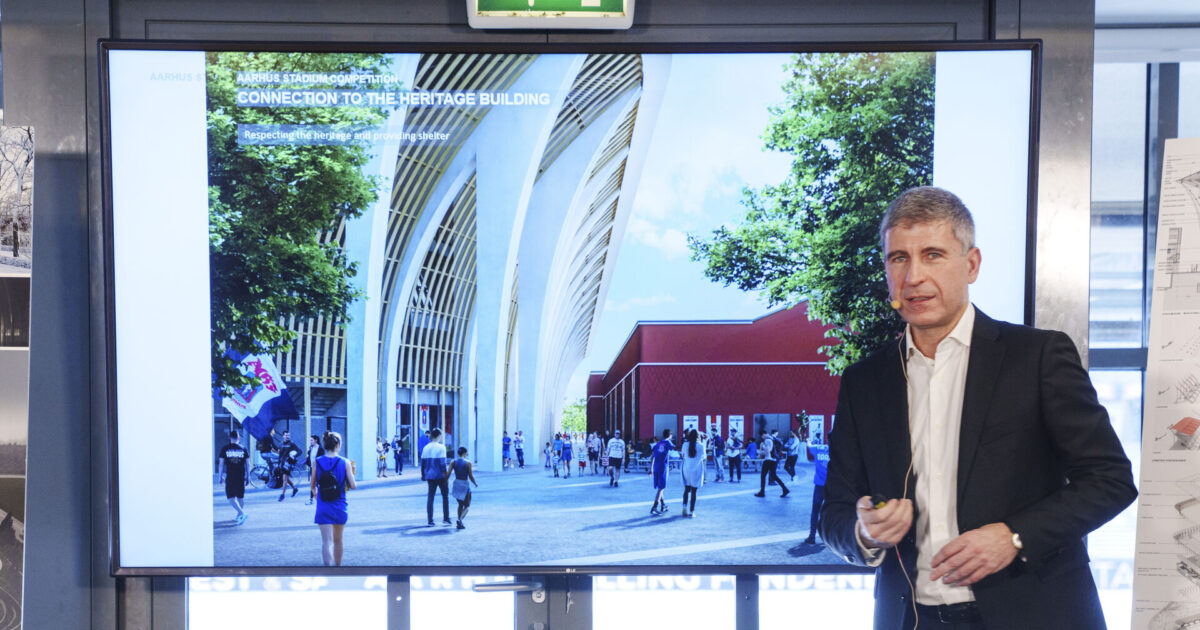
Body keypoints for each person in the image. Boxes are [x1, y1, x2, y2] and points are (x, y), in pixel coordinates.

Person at [819, 186, 1137, 630]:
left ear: (971, 264)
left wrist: (1015, 536)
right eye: (898, 258)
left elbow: (1110, 480)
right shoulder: (864, 382)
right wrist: (865, 532)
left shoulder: (1037, 356)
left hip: (1035, 616)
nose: (913, 276)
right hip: (911, 619)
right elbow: (834, 512)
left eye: (932, 255)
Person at [310, 431, 357, 566]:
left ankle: (327, 570)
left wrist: (315, 493)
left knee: (326, 542)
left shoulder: (317, 462)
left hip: (323, 506)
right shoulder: (345, 462)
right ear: (337, 445)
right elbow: (353, 486)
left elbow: (312, 485)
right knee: (338, 540)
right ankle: (337, 569)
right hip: (339, 506)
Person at [217, 430, 249, 524]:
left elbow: (221, 464)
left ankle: (241, 513)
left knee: (230, 497)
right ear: (239, 438)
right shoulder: (243, 449)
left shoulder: (225, 449)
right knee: (240, 497)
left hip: (230, 476)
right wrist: (248, 476)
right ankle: (240, 515)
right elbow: (248, 464)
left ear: (230, 438)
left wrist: (220, 476)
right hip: (241, 476)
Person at [803, 429, 830, 545]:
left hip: (819, 485)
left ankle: (812, 536)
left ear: (827, 439)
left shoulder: (818, 448)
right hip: (831, 487)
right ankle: (828, 537)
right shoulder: (839, 452)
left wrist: (808, 440)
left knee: (815, 511)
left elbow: (809, 446)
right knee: (830, 511)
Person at [420, 427, 451, 526]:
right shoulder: (441, 447)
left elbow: (423, 464)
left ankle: (430, 520)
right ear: (439, 435)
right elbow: (442, 464)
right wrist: (446, 475)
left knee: (430, 498)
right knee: (445, 497)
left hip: (430, 476)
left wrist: (423, 475)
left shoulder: (426, 448)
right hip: (441, 476)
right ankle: (446, 518)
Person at [754, 429, 788, 498]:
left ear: (763, 434)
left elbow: (767, 451)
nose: (761, 438)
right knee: (774, 475)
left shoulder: (767, 440)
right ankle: (785, 489)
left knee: (763, 476)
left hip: (768, 460)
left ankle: (762, 492)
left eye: (761, 436)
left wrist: (759, 452)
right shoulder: (772, 438)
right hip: (774, 459)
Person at [450, 446, 478, 530]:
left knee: (460, 505)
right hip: (464, 485)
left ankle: (459, 523)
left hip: (456, 484)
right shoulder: (468, 463)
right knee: (467, 506)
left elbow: (448, 473)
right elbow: (470, 476)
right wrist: (475, 483)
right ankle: (460, 520)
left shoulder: (454, 462)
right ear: (465, 453)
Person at [680, 429, 705, 518]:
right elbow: (703, 457)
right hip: (696, 469)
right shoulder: (701, 446)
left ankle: (684, 507)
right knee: (694, 491)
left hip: (686, 469)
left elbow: (683, 455)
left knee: (686, 489)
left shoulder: (685, 445)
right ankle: (691, 511)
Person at [649, 429, 673, 515]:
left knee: (660, 487)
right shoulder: (668, 442)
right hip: (663, 467)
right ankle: (654, 507)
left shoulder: (657, 444)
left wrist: (651, 469)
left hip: (656, 466)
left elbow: (653, 456)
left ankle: (663, 505)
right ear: (670, 435)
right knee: (661, 488)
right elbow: (675, 448)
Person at [276, 431, 302, 501]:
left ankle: (282, 495)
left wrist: (294, 456)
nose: (287, 437)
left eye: (288, 435)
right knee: (286, 479)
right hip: (282, 463)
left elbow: (300, 451)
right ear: (283, 436)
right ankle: (294, 489)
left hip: (288, 464)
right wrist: (278, 464)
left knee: (284, 479)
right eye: (286, 435)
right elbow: (280, 455)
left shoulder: (291, 444)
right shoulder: (280, 444)